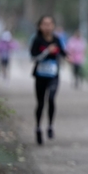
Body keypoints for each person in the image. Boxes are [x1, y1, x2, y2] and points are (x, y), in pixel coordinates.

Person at [30, 15, 67, 145]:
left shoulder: (56, 39)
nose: (47, 26)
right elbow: (33, 57)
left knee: (51, 99)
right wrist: (46, 51)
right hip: (40, 76)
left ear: (53, 26)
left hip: (53, 76)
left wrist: (69, 57)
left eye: (50, 24)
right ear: (40, 26)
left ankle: (50, 126)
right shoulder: (37, 40)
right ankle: (38, 128)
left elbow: (63, 52)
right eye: (44, 24)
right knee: (40, 103)